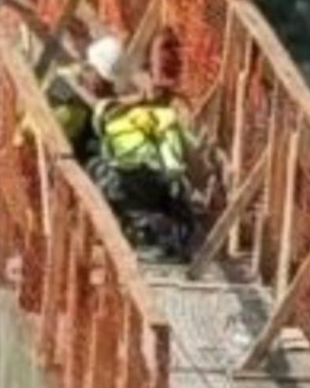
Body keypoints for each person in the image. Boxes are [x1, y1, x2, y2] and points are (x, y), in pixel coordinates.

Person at [94, 85, 198, 258]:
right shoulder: (161, 119)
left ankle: (119, 232)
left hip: (126, 177)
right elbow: (182, 151)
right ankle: (172, 241)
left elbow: (109, 158)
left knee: (108, 185)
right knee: (175, 203)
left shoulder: (114, 126)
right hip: (156, 174)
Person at [43, 32, 126, 165]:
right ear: (90, 67)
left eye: (108, 84)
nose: (103, 89)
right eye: (102, 81)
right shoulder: (63, 84)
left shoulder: (92, 97)